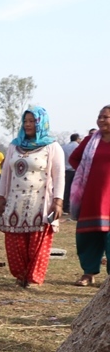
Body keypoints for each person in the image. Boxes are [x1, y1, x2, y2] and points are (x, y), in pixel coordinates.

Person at [0, 107, 65, 287]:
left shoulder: (52, 146)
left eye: (32, 121)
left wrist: (57, 201)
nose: (28, 124)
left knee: (37, 241)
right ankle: (21, 275)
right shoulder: (14, 145)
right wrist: (1, 197)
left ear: (41, 122)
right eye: (25, 121)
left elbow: (59, 176)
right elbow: (5, 174)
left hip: (40, 201)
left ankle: (34, 279)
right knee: (15, 241)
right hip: (15, 201)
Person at [68, 107, 110, 286]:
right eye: (99, 117)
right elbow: (73, 158)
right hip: (91, 195)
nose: (101, 120)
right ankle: (88, 273)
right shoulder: (90, 141)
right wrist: (85, 172)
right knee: (88, 235)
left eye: (106, 117)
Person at [62, 133, 81, 215]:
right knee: (75, 190)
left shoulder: (64, 147)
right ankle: (74, 207)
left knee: (66, 189)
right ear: (77, 139)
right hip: (75, 170)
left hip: (66, 170)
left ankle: (66, 207)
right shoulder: (78, 146)